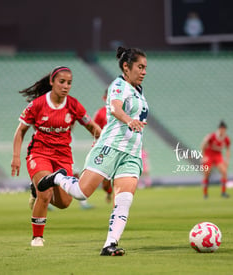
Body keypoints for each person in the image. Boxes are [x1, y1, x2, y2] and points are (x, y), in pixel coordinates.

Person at [37, 46, 148, 256]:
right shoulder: (119, 85)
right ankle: (59, 178)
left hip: (132, 153)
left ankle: (110, 244)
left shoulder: (139, 92)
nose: (144, 72)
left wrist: (136, 124)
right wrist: (129, 120)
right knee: (80, 192)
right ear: (126, 67)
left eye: (145, 68)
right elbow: (115, 109)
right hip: (110, 147)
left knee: (124, 200)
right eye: (140, 67)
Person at [11, 66, 101, 247]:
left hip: (63, 157)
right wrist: (16, 156)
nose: (66, 86)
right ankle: (37, 237)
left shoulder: (74, 105)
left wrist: (100, 142)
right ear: (52, 82)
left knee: (64, 202)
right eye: (62, 82)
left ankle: (37, 189)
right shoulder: (37, 105)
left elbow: (93, 128)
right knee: (46, 193)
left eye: (69, 83)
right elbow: (21, 131)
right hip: (39, 153)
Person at [201, 120, 231, 199]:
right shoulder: (212, 136)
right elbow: (203, 145)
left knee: (224, 172)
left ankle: (223, 192)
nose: (222, 130)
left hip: (218, 155)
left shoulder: (226, 139)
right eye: (221, 128)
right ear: (219, 129)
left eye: (224, 129)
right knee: (206, 174)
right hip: (209, 154)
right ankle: (205, 193)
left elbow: (228, 149)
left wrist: (227, 160)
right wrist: (204, 156)